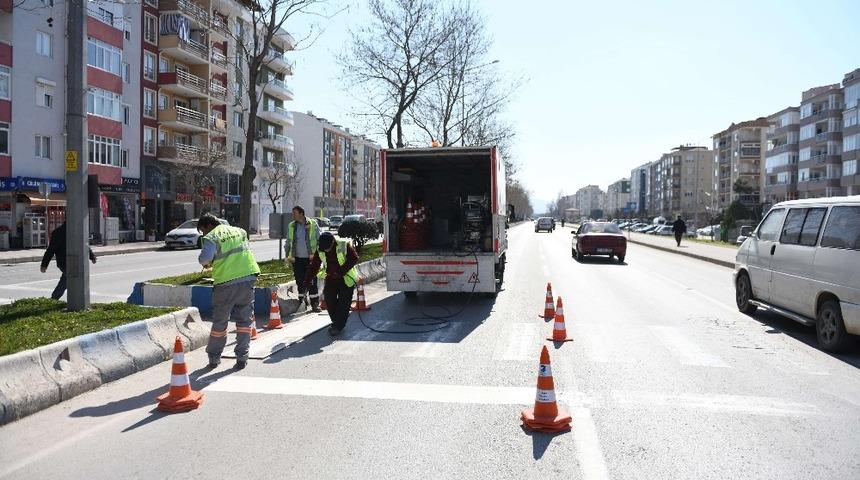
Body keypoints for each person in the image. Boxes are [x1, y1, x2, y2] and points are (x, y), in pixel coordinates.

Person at [197, 214, 261, 370]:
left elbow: (204, 258)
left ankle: (214, 358)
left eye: (202, 231)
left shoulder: (212, 236)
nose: (203, 235)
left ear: (207, 226)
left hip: (226, 282)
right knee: (245, 321)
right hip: (248, 277)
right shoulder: (239, 231)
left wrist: (207, 262)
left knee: (220, 321)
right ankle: (242, 357)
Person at [304, 232, 359, 336]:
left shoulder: (343, 245)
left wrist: (341, 271)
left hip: (346, 278)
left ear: (333, 242)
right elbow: (314, 266)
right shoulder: (320, 249)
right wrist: (307, 281)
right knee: (329, 300)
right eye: (324, 249)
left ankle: (338, 326)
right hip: (330, 278)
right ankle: (337, 321)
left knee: (344, 302)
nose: (326, 250)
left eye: (328, 248)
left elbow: (354, 258)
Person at [40, 222, 97, 300]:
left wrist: (92, 256)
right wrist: (44, 265)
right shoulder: (59, 232)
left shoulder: (77, 230)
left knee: (66, 280)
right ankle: (74, 302)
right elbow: (51, 250)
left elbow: (84, 244)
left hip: (73, 261)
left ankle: (54, 299)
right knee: (71, 280)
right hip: (65, 261)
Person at [284, 205, 321, 312]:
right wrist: (287, 257)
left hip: (311, 259)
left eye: (294, 213)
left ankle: (315, 304)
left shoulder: (313, 224)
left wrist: (318, 256)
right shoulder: (291, 226)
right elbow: (288, 242)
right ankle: (302, 301)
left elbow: (320, 239)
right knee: (299, 280)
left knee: (312, 281)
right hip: (297, 259)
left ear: (301, 214)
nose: (293, 215)